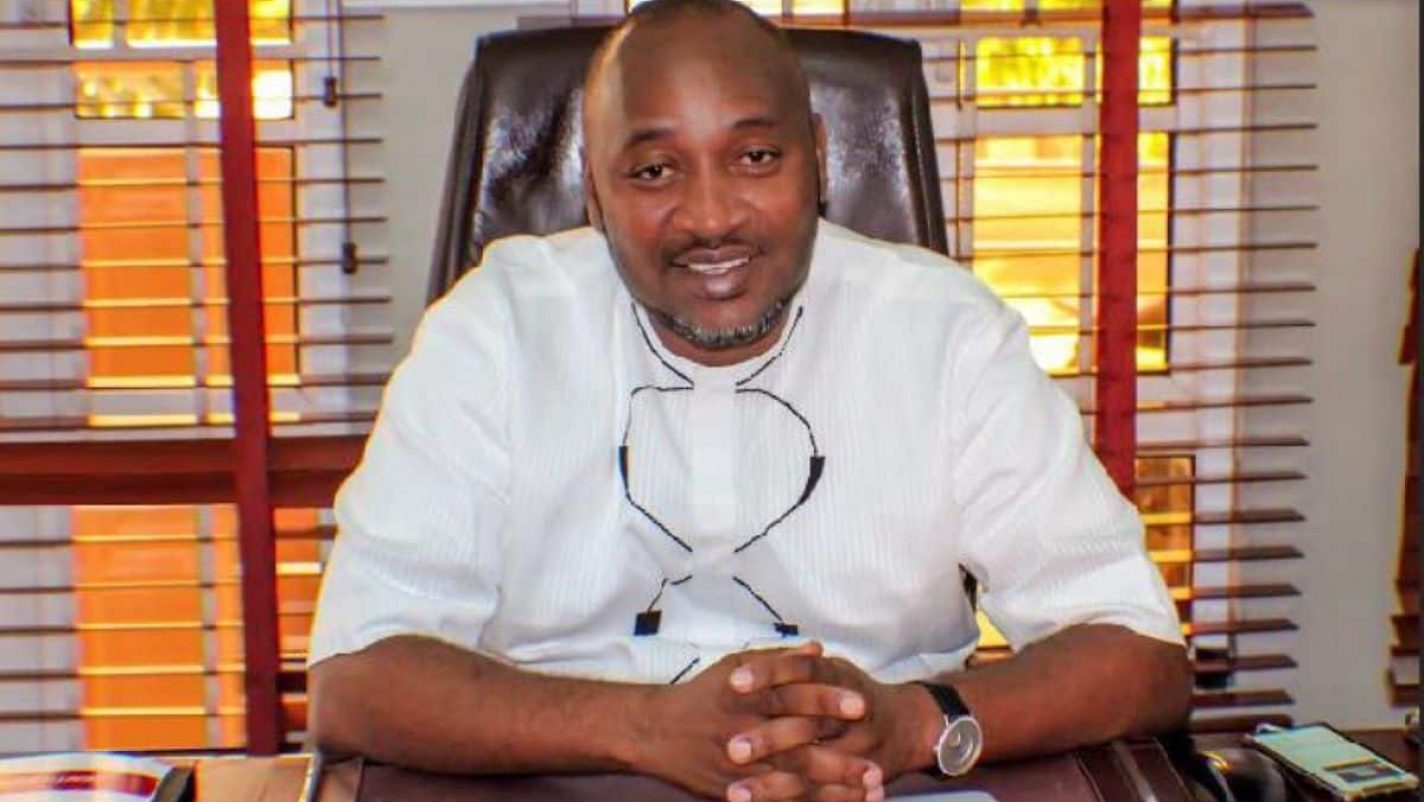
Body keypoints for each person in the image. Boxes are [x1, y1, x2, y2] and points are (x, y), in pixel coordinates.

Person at [305, 2, 1192, 801]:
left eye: (755, 157)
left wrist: (917, 723)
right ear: (595, 194)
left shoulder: (945, 332)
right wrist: (645, 729)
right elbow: (355, 680)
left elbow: (1139, 651)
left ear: (820, 157)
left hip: (880, 782)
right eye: (655, 170)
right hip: (565, 777)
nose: (710, 217)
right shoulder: (496, 330)